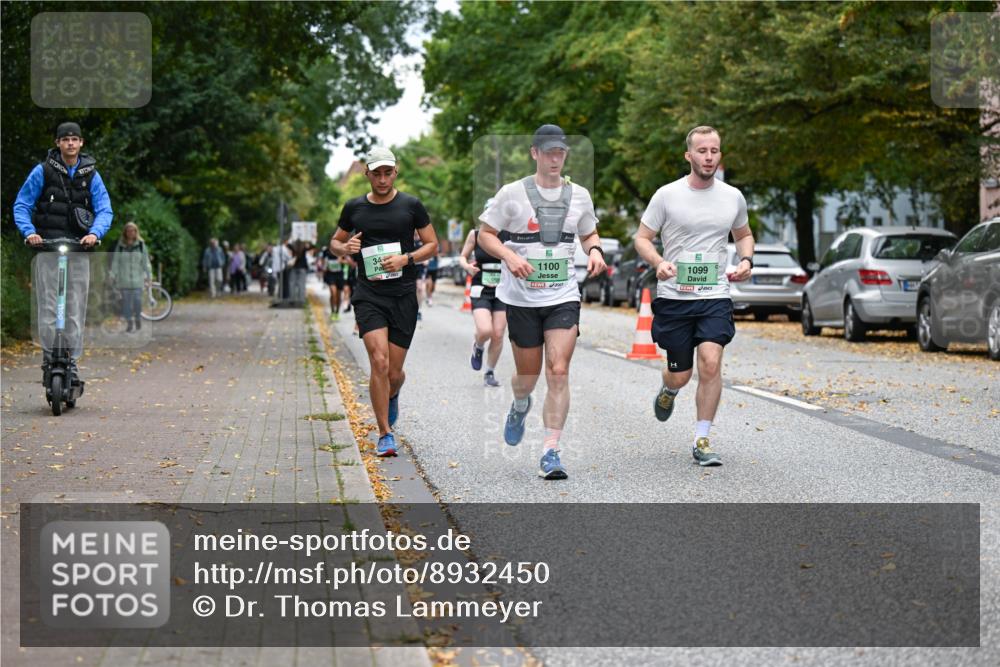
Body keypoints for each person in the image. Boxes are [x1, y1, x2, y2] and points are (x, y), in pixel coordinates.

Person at [478, 125, 606, 480]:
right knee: (527, 377)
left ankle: (551, 451)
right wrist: (509, 256)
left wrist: (594, 250)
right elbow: (486, 235)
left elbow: (588, 231)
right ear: (534, 153)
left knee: (558, 370)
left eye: (560, 152)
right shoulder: (512, 193)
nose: (555, 158)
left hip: (563, 295)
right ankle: (520, 404)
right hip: (521, 298)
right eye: (548, 152)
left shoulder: (579, 195)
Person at [634, 125, 754, 467]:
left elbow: (743, 234)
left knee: (711, 363)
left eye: (714, 151)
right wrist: (658, 262)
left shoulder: (732, 196)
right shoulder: (667, 195)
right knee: (681, 374)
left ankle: (702, 439)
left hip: (715, 294)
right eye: (702, 151)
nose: (709, 157)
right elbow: (642, 238)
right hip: (675, 297)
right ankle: (669, 389)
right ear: (689, 155)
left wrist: (746, 260)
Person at [329, 147, 438, 457]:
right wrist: (344, 248)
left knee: (393, 373)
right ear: (367, 174)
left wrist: (406, 258)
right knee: (379, 361)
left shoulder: (411, 206)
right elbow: (335, 242)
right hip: (369, 295)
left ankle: (393, 393)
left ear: (395, 172)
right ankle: (384, 433)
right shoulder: (354, 207)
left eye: (387, 173)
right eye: (376, 173)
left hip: (403, 295)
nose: (382, 179)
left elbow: (432, 245)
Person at [13, 121, 113, 387]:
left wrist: (95, 233)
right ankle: (49, 359)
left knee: (75, 309)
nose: (70, 143)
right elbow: (22, 204)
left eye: (74, 139)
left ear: (81, 143)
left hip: (79, 249)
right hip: (47, 248)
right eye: (65, 139)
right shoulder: (43, 171)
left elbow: (105, 209)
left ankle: (71, 362)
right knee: (48, 307)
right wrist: (29, 232)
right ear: (57, 143)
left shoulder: (91, 174)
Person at [458, 200, 508, 387]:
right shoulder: (476, 234)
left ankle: (489, 372)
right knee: (485, 330)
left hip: (503, 290)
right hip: (480, 288)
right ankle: (478, 346)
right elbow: (462, 257)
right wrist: (467, 267)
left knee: (498, 334)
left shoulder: (509, 236)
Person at [109, 221, 152, 333]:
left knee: (137, 301)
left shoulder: (141, 245)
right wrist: (112, 275)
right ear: (125, 232)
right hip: (123, 280)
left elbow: (146, 262)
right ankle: (129, 323)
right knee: (126, 304)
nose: (131, 233)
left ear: (136, 232)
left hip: (138, 279)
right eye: (128, 231)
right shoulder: (120, 246)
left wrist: (149, 276)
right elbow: (116, 261)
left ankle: (137, 318)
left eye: (133, 231)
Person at [318, 235, 346, 320]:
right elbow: (322, 261)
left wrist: (342, 260)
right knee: (333, 293)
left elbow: (347, 261)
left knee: (339, 295)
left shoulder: (342, 249)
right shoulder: (326, 251)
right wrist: (323, 267)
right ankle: (333, 311)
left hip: (339, 274)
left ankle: (337, 312)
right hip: (330, 274)